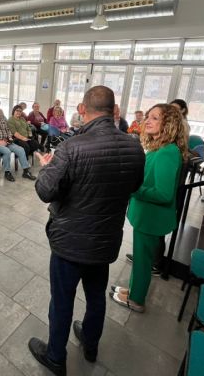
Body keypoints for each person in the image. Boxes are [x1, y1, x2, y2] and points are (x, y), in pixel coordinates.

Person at [27, 86, 145, 375]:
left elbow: (45, 190)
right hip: (105, 240)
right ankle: (90, 344)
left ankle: (56, 357)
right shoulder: (134, 146)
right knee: (96, 296)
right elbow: (134, 186)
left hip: (70, 241)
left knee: (63, 299)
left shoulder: (72, 146)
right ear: (113, 109)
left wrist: (48, 167)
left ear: (82, 109)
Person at [110, 104, 188, 313]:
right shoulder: (159, 148)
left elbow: (164, 194)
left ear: (169, 124)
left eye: (155, 118)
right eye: (148, 117)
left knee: (143, 262)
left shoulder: (168, 152)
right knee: (140, 258)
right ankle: (134, 290)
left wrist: (133, 187)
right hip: (147, 216)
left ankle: (136, 300)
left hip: (151, 218)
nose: (148, 121)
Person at [0, 99, 36, 182]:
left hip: (6, 141)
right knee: (7, 151)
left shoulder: (3, 118)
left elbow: (8, 130)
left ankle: (26, 171)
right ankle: (7, 172)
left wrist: (10, 139)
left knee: (21, 150)